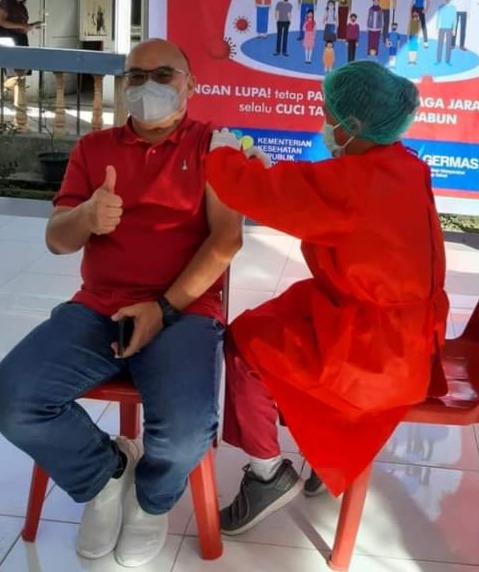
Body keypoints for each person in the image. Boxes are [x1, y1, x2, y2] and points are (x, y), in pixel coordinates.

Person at [0, 38, 242, 567]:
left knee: (185, 435)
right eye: (135, 76)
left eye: (163, 74)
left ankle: (151, 500)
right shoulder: (94, 150)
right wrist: (86, 216)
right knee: (13, 399)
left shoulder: (214, 147)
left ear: (191, 84)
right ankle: (105, 475)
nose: (148, 86)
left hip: (184, 313)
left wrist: (164, 309)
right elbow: (57, 240)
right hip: (98, 307)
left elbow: (226, 240)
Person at [205, 60, 449, 534]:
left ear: (353, 124)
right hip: (407, 337)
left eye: (328, 115)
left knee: (245, 344)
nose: (324, 122)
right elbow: (317, 189)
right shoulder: (404, 166)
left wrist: (223, 158)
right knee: (279, 313)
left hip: (373, 358)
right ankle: (320, 452)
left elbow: (265, 193)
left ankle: (266, 474)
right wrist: (273, 174)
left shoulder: (352, 185)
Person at [0, 0, 42, 86]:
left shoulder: (21, 6)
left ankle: (20, 90)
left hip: (21, 38)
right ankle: (11, 89)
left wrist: (32, 26)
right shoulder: (6, 3)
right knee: (12, 72)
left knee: (23, 69)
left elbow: (22, 25)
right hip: (9, 38)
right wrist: (22, 26)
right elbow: (1, 21)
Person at [436, 0, 457, 65]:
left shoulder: (453, 8)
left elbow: (454, 19)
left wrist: (454, 29)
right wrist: (437, 27)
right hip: (441, 28)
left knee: (448, 45)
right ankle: (438, 60)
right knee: (440, 44)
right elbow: (438, 17)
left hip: (449, 28)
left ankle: (447, 61)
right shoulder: (440, 7)